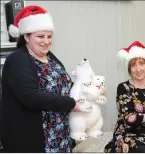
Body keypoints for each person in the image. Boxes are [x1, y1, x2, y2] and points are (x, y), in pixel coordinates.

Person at [0, 5, 83, 152]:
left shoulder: (50, 57)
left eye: (49, 36)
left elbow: (62, 84)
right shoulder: (17, 60)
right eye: (40, 36)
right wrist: (70, 103)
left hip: (60, 136)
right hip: (35, 139)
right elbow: (31, 96)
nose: (46, 41)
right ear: (26, 36)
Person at [104, 41, 145, 153]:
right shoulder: (123, 88)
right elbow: (129, 118)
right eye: (133, 65)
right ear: (129, 69)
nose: (138, 69)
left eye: (141, 64)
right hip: (129, 135)